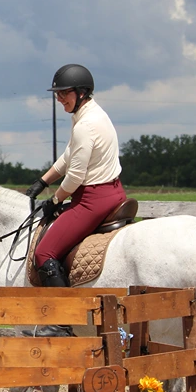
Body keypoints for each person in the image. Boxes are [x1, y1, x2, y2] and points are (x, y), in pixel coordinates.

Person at [26, 63, 126, 287]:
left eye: (64, 93)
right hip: (113, 193)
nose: (59, 98)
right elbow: (68, 156)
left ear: (81, 92)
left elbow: (74, 177)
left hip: (93, 201)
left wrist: (55, 200)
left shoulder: (85, 125)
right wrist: (43, 182)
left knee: (44, 253)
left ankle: (62, 320)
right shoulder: (92, 115)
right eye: (57, 94)